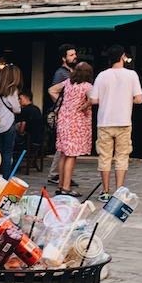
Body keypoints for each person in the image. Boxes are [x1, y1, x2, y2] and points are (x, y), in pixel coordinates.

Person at [90, 45, 142, 200]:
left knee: (104, 157)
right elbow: (139, 99)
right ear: (123, 56)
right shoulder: (131, 75)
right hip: (124, 121)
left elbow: (93, 99)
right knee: (122, 156)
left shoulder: (102, 76)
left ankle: (105, 191)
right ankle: (119, 191)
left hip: (105, 121)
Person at [54, 62, 94, 196]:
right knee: (72, 155)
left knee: (63, 153)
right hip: (76, 121)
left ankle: (60, 185)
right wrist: (84, 106)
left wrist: (61, 102)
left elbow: (52, 90)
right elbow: (93, 100)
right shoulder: (87, 86)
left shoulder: (67, 83)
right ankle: (66, 187)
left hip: (63, 119)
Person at [48, 42, 78, 183]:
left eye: (74, 54)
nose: (74, 57)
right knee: (64, 146)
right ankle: (56, 175)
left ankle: (62, 175)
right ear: (64, 58)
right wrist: (62, 104)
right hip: (64, 114)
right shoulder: (61, 73)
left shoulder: (72, 72)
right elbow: (53, 90)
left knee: (66, 146)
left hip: (70, 114)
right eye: (71, 55)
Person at [0, 65, 22, 179]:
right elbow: (17, 109)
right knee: (8, 152)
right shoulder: (12, 91)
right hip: (8, 123)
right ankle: (6, 177)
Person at [16, 90, 43, 154]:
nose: (19, 101)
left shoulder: (24, 110)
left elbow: (22, 129)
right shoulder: (37, 109)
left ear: (27, 99)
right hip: (38, 141)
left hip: (27, 141)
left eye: (20, 99)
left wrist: (20, 132)